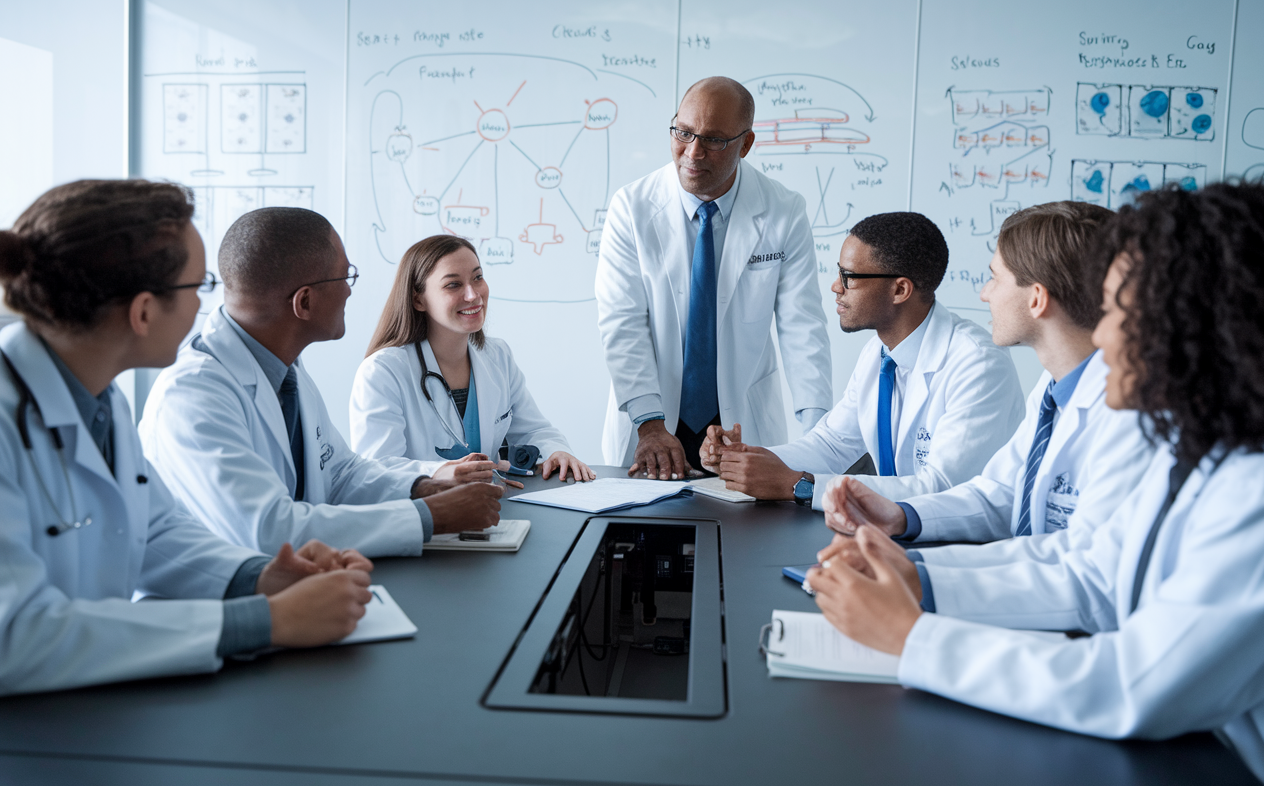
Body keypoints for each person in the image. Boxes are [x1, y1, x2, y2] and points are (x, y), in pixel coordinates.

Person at [806, 181, 1264, 786]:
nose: (1104, 341)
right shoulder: (1202, 450)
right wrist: (916, 578)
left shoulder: (1263, 493)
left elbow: (1132, 686)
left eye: (1121, 315)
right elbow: (1092, 571)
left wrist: (913, 636)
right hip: (1183, 748)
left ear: (1197, 326)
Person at [0, 179, 376, 695]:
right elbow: (14, 636)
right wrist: (264, 621)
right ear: (144, 311)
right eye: (199, 287)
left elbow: (155, 532)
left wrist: (264, 579)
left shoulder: (100, 398)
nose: (209, 308)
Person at [139, 208, 503, 559]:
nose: (349, 291)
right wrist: (433, 516)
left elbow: (342, 474)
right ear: (305, 301)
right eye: (345, 277)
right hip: (222, 607)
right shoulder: (194, 395)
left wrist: (428, 487)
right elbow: (270, 532)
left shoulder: (285, 372)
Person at [823, 202, 1153, 569]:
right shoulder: (1051, 388)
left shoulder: (1130, 417)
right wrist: (901, 516)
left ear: (1037, 298)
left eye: (996, 278)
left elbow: (1083, 570)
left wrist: (921, 575)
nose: (985, 294)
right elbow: (1000, 493)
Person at [595, 76, 832, 479]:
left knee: (746, 536)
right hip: (649, 419)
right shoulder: (631, 207)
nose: (693, 152)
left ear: (746, 144)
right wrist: (651, 425)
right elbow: (623, 323)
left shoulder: (783, 211)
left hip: (742, 421)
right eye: (683, 133)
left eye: (714, 141)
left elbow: (802, 326)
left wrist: (820, 436)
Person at [701, 212, 1024, 506]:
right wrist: (743, 459)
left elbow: (943, 488)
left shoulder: (979, 364)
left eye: (849, 276)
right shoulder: (879, 354)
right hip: (893, 529)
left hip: (961, 547)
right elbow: (830, 445)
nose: (835, 287)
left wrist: (802, 486)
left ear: (900, 290)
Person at [350, 234, 594, 483]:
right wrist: (442, 473)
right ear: (418, 299)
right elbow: (377, 470)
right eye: (453, 285)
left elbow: (534, 430)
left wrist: (556, 451)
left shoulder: (497, 356)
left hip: (490, 508)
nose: (473, 295)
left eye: (478, 278)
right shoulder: (382, 372)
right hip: (421, 514)